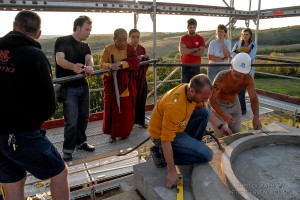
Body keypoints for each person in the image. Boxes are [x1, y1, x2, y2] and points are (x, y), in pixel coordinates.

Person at [0, 11, 69, 199]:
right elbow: (47, 104)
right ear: (38, 34)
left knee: (13, 180)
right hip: (21, 133)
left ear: (14, 26)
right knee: (59, 172)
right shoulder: (35, 55)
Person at [148, 74, 232, 188]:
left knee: (204, 112)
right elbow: (165, 140)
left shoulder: (189, 91)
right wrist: (172, 171)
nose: (205, 100)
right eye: (203, 98)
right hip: (161, 137)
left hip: (179, 127)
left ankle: (188, 150)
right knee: (207, 155)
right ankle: (162, 156)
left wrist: (222, 126)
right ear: (192, 91)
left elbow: (207, 111)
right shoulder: (176, 106)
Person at [55, 15, 95, 162]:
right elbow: (60, 60)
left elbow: (89, 59)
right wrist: (72, 66)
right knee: (71, 120)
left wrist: (89, 66)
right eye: (87, 29)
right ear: (78, 28)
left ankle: (81, 142)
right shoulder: (62, 41)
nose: (89, 32)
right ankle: (67, 150)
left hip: (83, 85)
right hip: (68, 88)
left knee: (84, 117)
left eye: (90, 30)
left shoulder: (85, 45)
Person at [99, 28, 140, 143]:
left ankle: (125, 132)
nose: (122, 43)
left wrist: (121, 63)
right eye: (119, 40)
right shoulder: (108, 49)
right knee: (113, 109)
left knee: (126, 109)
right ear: (114, 39)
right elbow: (101, 64)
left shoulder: (130, 48)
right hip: (112, 83)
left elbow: (135, 61)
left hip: (126, 84)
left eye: (124, 40)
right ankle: (112, 134)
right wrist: (110, 66)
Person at [209, 53, 262, 134]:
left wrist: (256, 117)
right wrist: (223, 115)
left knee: (236, 133)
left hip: (235, 104)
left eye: (242, 73)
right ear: (231, 66)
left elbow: (253, 99)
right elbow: (211, 99)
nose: (238, 74)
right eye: (237, 71)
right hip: (219, 104)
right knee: (223, 135)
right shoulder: (221, 77)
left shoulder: (248, 79)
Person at [231, 28, 258, 115]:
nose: (245, 36)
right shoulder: (237, 44)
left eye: (247, 34)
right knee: (235, 89)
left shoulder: (253, 45)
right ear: (241, 35)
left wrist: (240, 56)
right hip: (237, 69)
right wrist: (244, 55)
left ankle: (242, 110)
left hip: (247, 70)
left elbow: (251, 55)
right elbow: (233, 54)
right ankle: (237, 108)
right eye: (244, 34)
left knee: (241, 91)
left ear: (250, 35)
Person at [128, 28, 150, 128]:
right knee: (130, 101)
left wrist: (146, 58)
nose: (135, 39)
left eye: (137, 37)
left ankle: (141, 121)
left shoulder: (142, 48)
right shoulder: (126, 49)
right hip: (130, 79)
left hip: (141, 78)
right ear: (129, 37)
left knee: (142, 98)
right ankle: (129, 122)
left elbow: (146, 64)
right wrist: (137, 58)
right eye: (133, 37)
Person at [179, 18, 205, 83]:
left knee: (196, 86)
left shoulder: (200, 38)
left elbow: (201, 53)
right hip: (185, 66)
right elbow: (182, 51)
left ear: (196, 27)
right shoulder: (183, 38)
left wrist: (187, 51)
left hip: (196, 66)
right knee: (184, 86)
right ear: (187, 27)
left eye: (194, 27)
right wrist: (195, 49)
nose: (192, 29)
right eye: (190, 27)